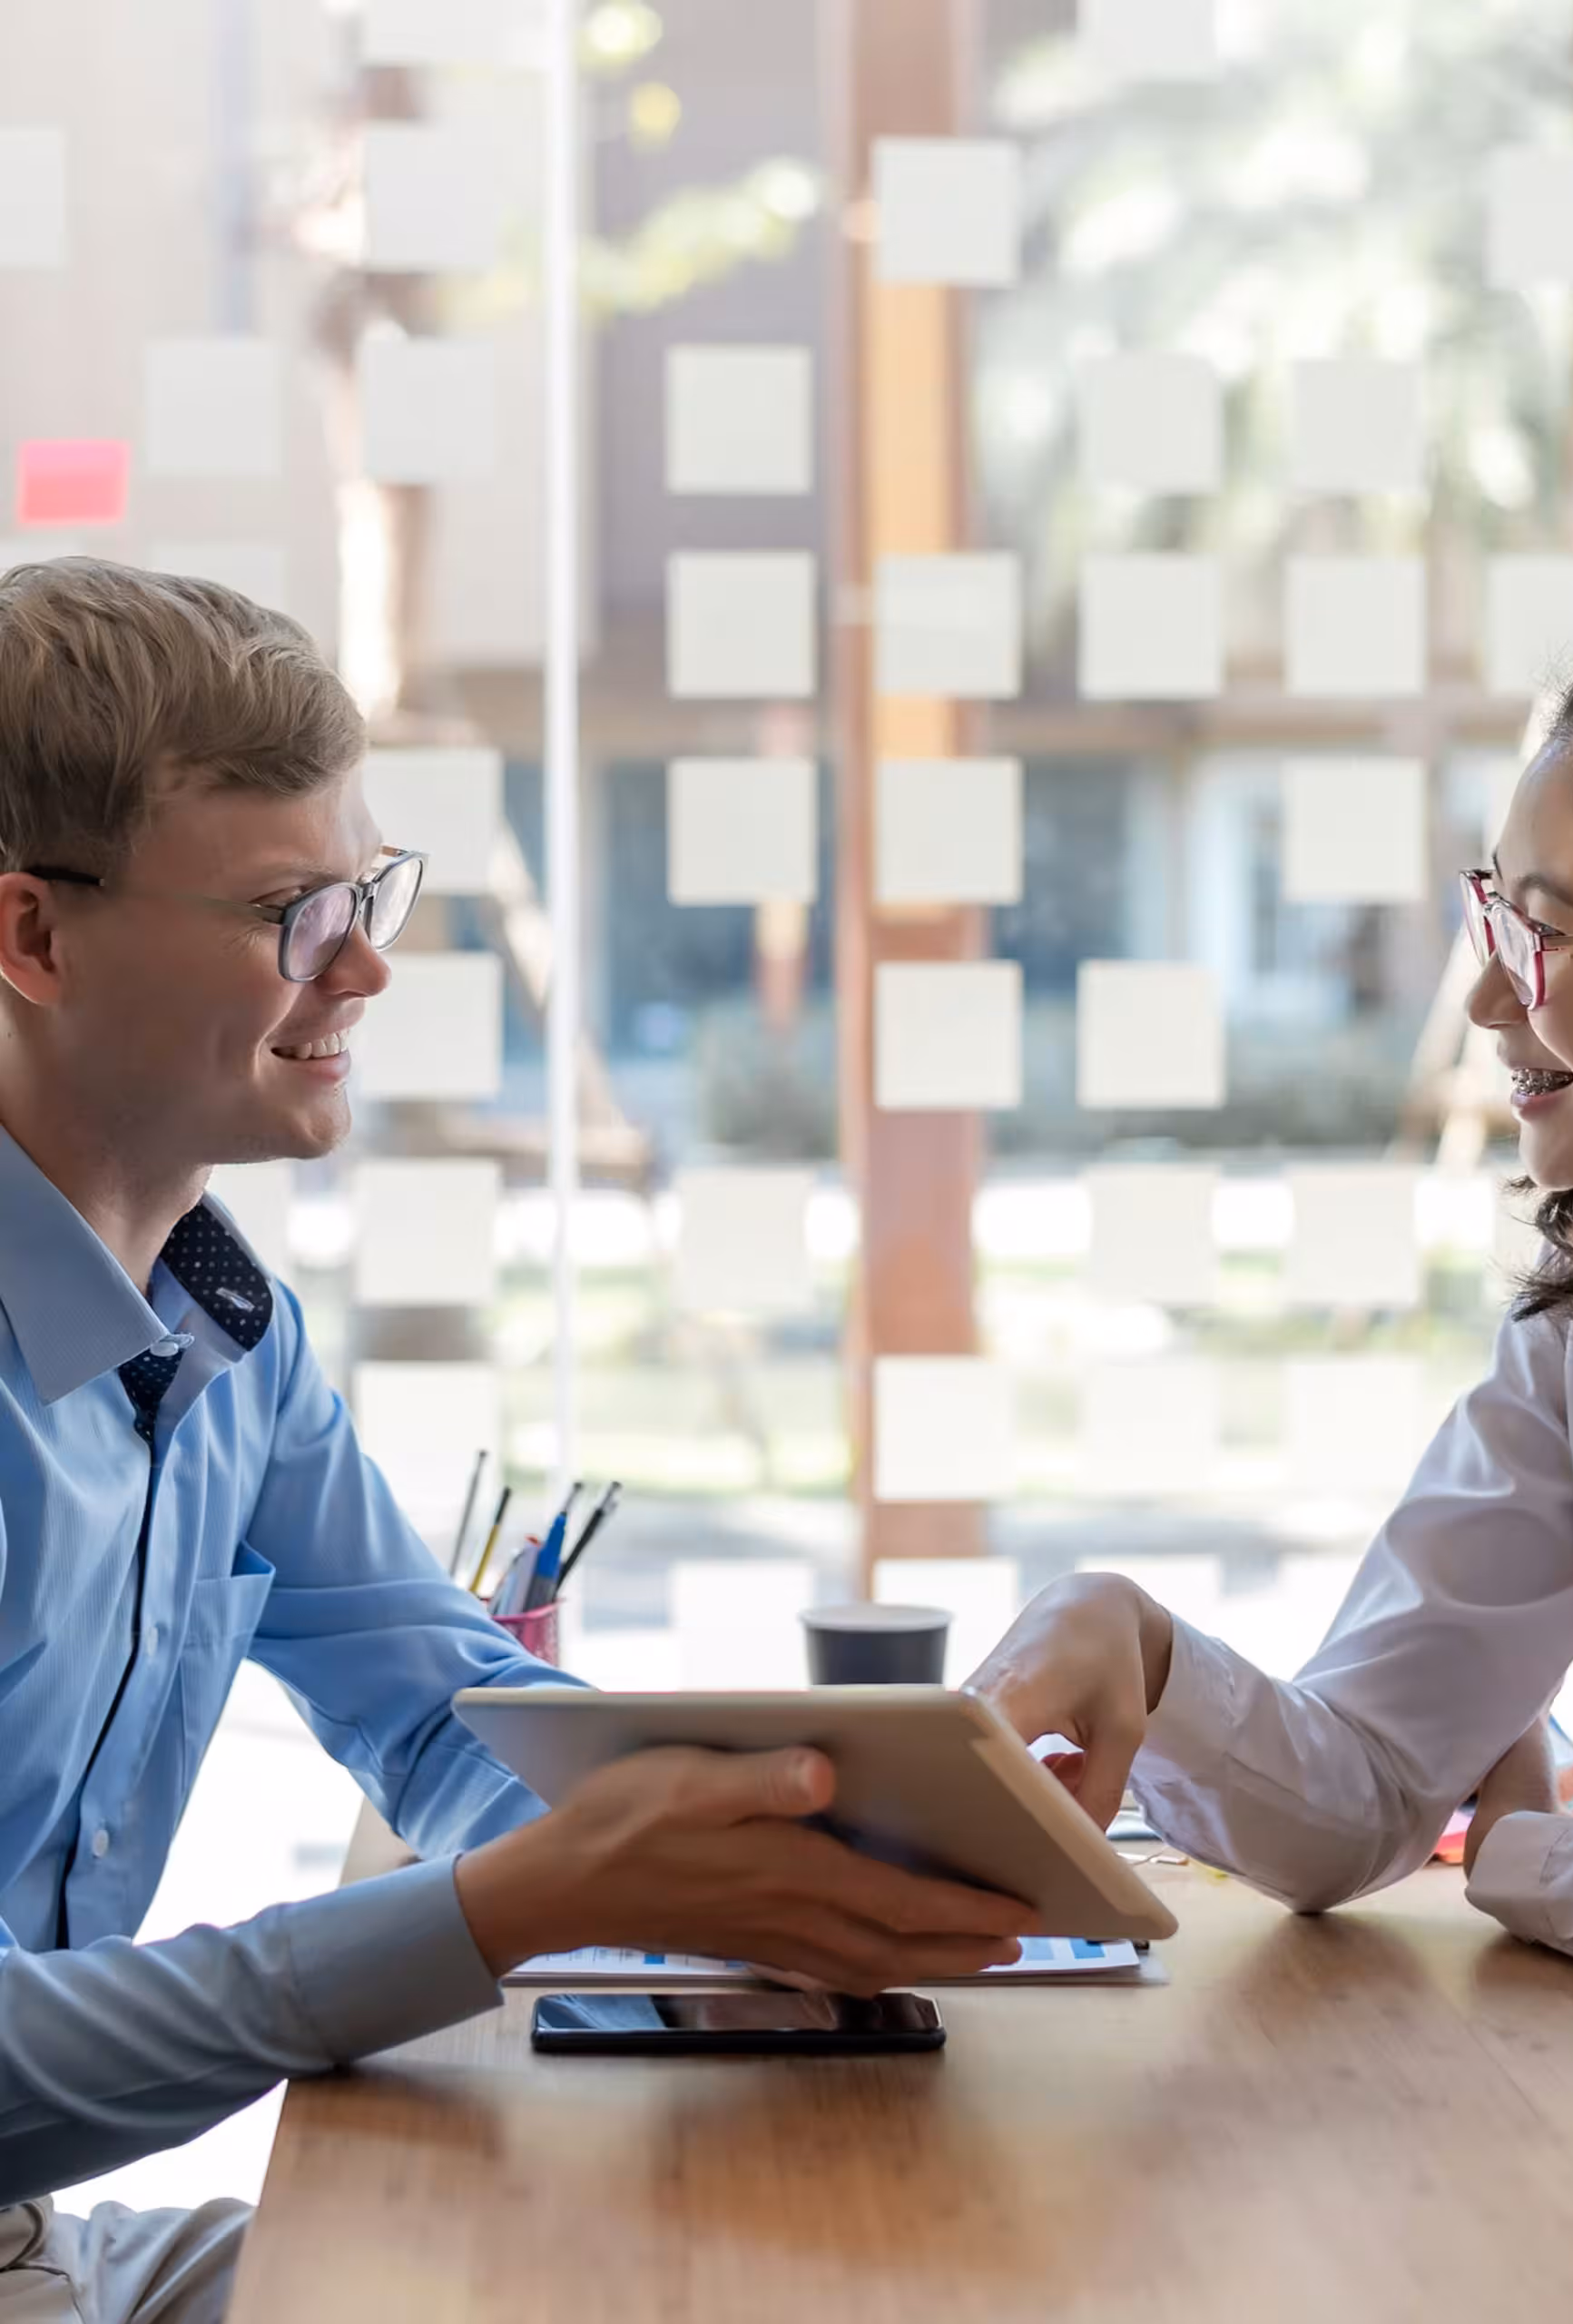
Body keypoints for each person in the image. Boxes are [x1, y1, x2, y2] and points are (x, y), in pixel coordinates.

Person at [0, 560, 1036, 2323]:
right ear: (28, 935)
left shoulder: (231, 1340)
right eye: (289, 911)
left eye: (365, 889)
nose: (369, 963)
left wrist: (769, 1838)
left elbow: (448, 1706)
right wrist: (499, 1911)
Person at [971, 600, 1573, 2014]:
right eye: (1490, 920)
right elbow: (1366, 1793)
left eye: (1546, 932)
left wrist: (1540, 1857)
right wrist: (1139, 1645)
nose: (1493, 1009)